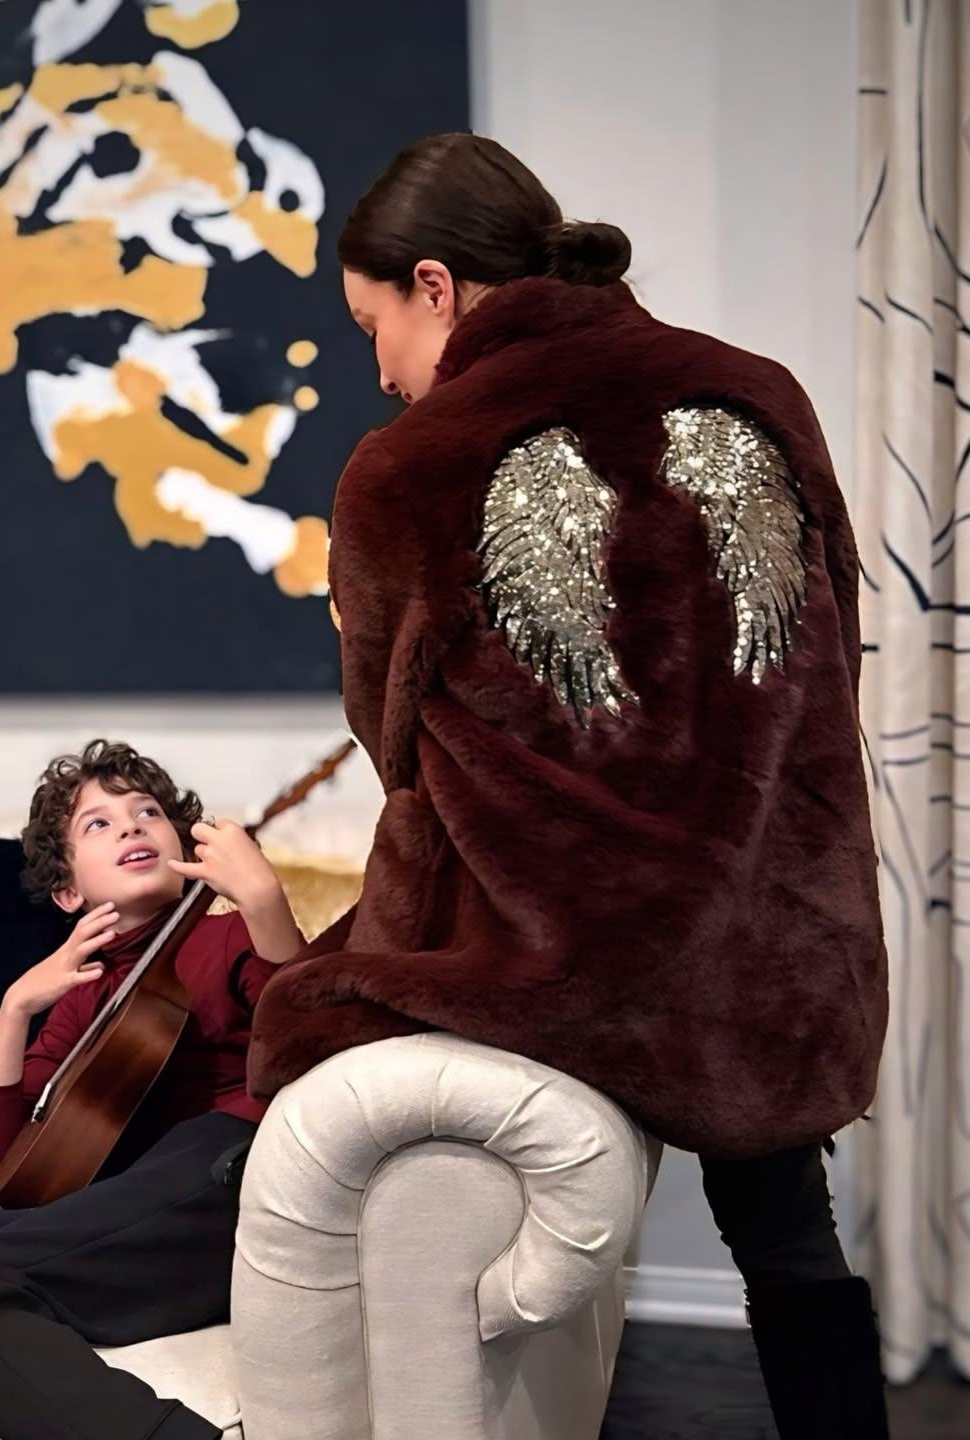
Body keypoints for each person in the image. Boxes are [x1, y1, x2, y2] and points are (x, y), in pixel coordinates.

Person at [248, 133, 891, 1439]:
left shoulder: (410, 466)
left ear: (436, 286)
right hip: (772, 943)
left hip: (568, 953)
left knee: (296, 1029)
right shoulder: (760, 393)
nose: (380, 369)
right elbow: (834, 654)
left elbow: (396, 744)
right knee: (792, 1240)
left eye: (373, 327)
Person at [0, 739, 303, 1440]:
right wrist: (16, 1008)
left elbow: (309, 1040)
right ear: (68, 892)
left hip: (226, 1183)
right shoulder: (86, 997)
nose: (132, 826)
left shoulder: (230, 936)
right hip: (129, 1212)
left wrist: (264, 904)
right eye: (99, 824)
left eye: (148, 812)